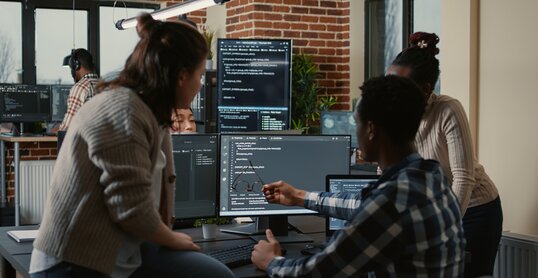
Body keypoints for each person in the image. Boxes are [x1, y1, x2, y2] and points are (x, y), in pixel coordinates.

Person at [30, 13, 233, 278]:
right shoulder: (124, 110)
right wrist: (172, 240)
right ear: (182, 76)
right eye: (200, 75)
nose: (200, 85)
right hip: (74, 261)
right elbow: (131, 208)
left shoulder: (150, 112)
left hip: (126, 249)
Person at [253, 75, 466, 276]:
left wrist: (271, 262)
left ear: (371, 129)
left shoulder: (391, 202)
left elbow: (319, 271)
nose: (357, 132)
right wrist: (299, 196)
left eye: (357, 123)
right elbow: (360, 205)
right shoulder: (431, 176)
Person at [388, 32, 503, 277]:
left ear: (426, 88)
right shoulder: (395, 114)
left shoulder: (448, 110)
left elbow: (463, 178)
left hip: (474, 209)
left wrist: (443, 225)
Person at [58, 48, 100, 131]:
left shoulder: (81, 87)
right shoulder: (104, 85)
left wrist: (56, 130)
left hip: (84, 141)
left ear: (76, 66)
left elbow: (67, 126)